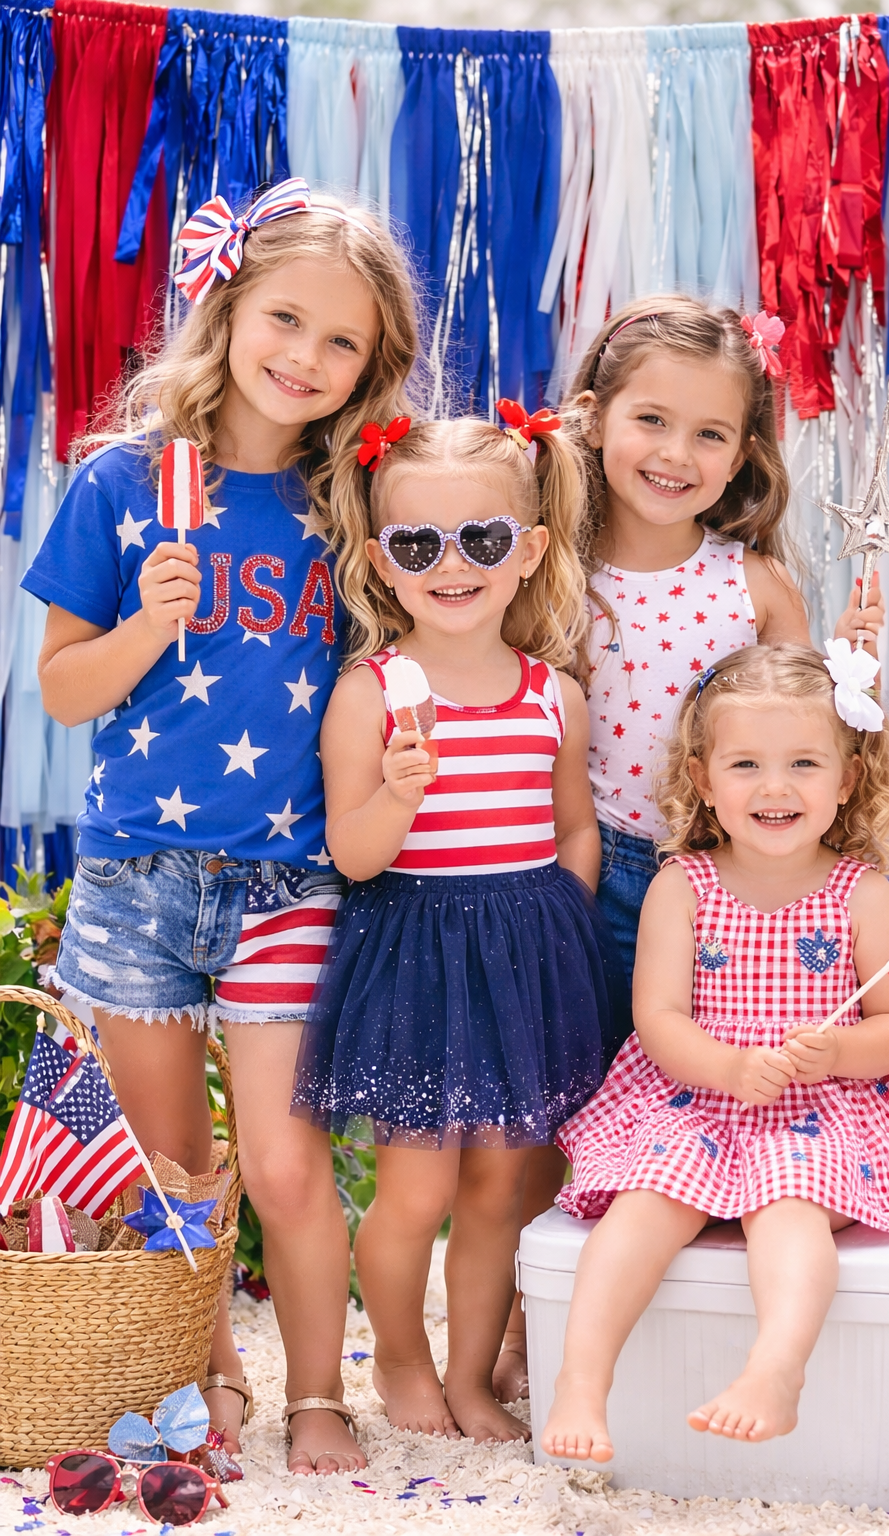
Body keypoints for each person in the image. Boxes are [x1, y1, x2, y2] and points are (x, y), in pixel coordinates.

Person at [24, 178, 420, 1476]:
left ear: (374, 364)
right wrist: (148, 619)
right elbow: (65, 687)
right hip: (138, 875)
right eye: (285, 319)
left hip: (289, 877)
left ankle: (316, 1390)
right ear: (229, 303)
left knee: (288, 1167)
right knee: (171, 1170)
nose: (305, 356)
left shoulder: (357, 502)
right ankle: (203, 1377)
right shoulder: (120, 481)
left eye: (342, 340)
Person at [493, 295, 888, 1405]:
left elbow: (806, 724)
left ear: (744, 454)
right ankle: (537, 1316)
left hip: (718, 893)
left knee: (701, 1106)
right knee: (560, 1108)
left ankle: (711, 1322)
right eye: (651, 421)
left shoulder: (750, 584)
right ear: (591, 417)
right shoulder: (545, 567)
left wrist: (850, 672)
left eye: (710, 434)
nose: (675, 454)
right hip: (576, 871)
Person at [541, 642, 889, 1462]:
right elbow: (659, 1019)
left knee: (790, 1203)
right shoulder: (684, 883)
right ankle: (582, 1382)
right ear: (704, 780)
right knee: (646, 1203)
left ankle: (777, 1367)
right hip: (699, 1093)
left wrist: (839, 1050)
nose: (775, 788)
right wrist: (732, 1068)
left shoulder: (861, 890)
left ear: (846, 779)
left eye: (804, 763)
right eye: (745, 764)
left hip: (825, 1109)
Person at [290, 408, 625, 1445]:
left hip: (525, 958)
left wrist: (556, 923)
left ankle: (473, 1376)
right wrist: (397, 792)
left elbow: (576, 827)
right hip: (419, 958)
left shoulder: (554, 695)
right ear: (382, 563)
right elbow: (352, 853)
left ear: (525, 553)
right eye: (417, 544)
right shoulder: (371, 695)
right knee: (416, 1188)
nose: (451, 566)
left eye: (479, 540)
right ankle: (399, 1354)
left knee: (497, 1191)